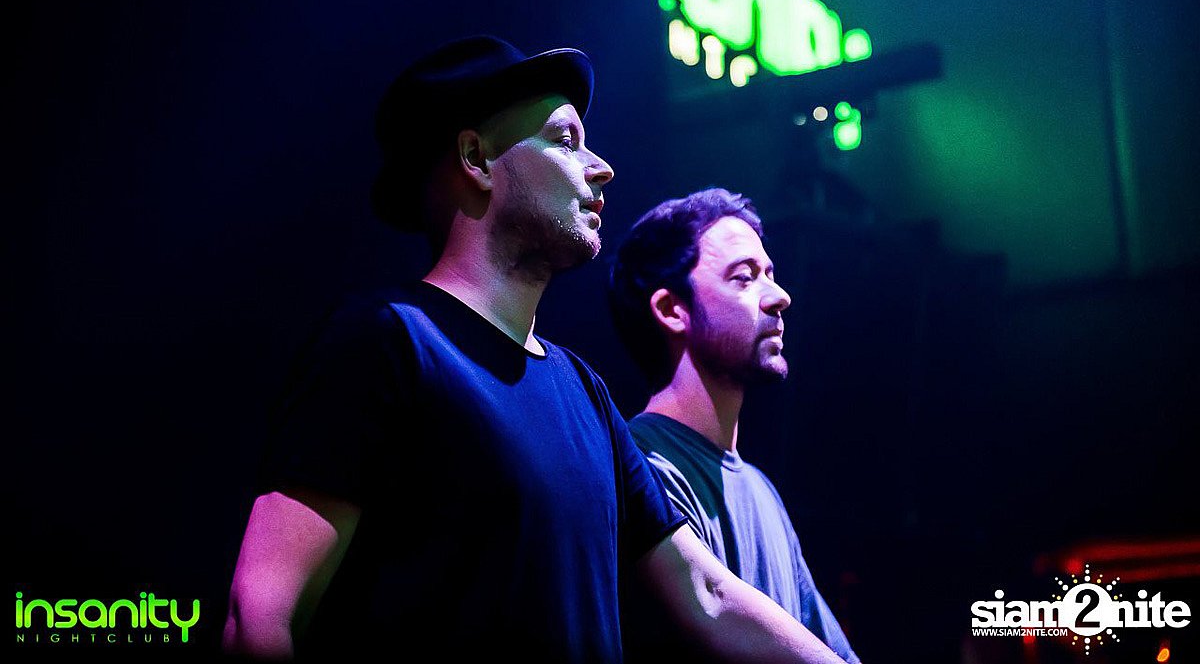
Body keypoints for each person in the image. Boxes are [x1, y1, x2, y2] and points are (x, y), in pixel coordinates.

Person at [222, 36, 854, 662]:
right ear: (476, 158)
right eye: (566, 140)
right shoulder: (385, 343)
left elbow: (708, 595)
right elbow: (261, 614)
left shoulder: (584, 391)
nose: (601, 168)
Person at [608, 188, 861, 663]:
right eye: (744, 278)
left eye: (770, 275)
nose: (780, 297)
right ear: (671, 310)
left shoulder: (762, 491)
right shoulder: (637, 465)